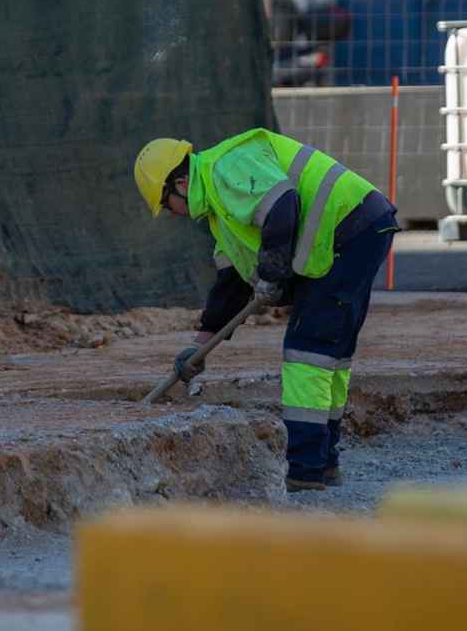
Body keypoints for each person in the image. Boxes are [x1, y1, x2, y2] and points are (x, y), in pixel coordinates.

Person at [132, 131, 398, 492]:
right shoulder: (220, 211)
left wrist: (273, 270)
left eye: (166, 204)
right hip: (357, 230)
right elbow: (231, 285)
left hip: (348, 228)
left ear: (180, 184)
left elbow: (283, 205)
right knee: (329, 352)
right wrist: (200, 345)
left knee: (308, 351)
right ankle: (324, 462)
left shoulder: (225, 167)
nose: (171, 213)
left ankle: (306, 469)